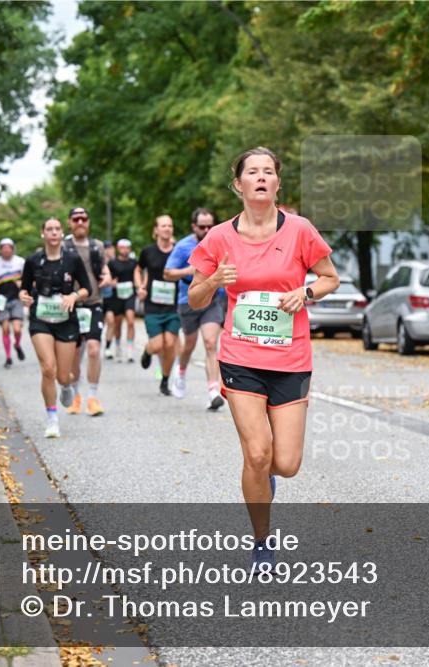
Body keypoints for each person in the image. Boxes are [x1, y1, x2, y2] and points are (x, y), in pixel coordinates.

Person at [187, 147, 340, 569]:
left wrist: (304, 292)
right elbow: (196, 297)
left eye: (268, 172)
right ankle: (262, 542)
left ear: (276, 183)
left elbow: (331, 278)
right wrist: (216, 278)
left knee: (285, 464)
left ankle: (265, 476)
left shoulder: (300, 230)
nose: (260, 177)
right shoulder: (218, 237)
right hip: (240, 358)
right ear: (238, 184)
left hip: (291, 357)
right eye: (252, 172)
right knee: (256, 453)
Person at [19, 218, 92, 439]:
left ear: (62, 233)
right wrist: (24, 297)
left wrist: (74, 295)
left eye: (57, 229)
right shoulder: (33, 261)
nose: (53, 232)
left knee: (62, 375)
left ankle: (67, 386)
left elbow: (87, 288)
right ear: (43, 234)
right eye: (49, 229)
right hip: (40, 319)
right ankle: (52, 420)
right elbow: (23, 289)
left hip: (66, 320)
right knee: (48, 369)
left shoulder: (72, 259)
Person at [165, 208, 226, 409]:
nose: (207, 229)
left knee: (210, 343)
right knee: (189, 344)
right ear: (194, 227)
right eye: (202, 226)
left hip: (213, 300)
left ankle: (213, 391)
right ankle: (181, 372)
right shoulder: (183, 246)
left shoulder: (220, 244)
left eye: (210, 225)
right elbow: (167, 273)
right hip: (188, 300)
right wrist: (189, 270)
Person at [61, 206, 111, 417]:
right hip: (71, 304)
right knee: (73, 353)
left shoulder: (97, 246)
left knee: (93, 348)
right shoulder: (63, 246)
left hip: (93, 302)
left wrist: (107, 278)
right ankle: (75, 394)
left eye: (83, 219)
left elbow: (105, 270)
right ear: (70, 222)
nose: (80, 222)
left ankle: (92, 396)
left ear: (88, 222)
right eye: (76, 219)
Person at [136, 216, 181, 394]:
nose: (167, 228)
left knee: (170, 344)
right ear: (156, 230)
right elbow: (138, 269)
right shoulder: (147, 251)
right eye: (163, 226)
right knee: (157, 345)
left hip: (173, 306)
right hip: (153, 306)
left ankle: (165, 380)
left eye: (170, 225)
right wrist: (139, 286)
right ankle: (147, 351)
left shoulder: (178, 251)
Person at [0, 238, 27, 368]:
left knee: (16, 329)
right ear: (0, 250)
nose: (6, 250)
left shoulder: (20, 261)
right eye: (4, 248)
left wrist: (22, 283)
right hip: (1, 299)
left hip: (16, 298)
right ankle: (8, 357)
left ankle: (17, 344)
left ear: (12, 249)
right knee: (5, 329)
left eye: (9, 248)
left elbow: (30, 279)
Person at [101, 241, 119, 360]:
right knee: (99, 324)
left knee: (111, 322)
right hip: (98, 298)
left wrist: (113, 283)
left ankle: (107, 347)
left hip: (110, 298)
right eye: (110, 248)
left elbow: (117, 278)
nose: (113, 251)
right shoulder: (98, 262)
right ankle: (94, 343)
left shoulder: (114, 263)